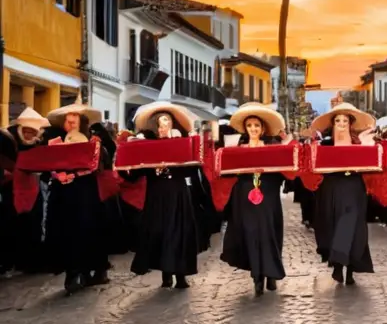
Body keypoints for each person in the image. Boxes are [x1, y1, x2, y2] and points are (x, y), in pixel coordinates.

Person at [123, 101, 210, 289]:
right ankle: (166, 274)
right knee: (161, 233)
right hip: (157, 195)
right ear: (155, 125)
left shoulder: (180, 141)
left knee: (179, 233)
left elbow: (192, 169)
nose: (165, 126)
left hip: (178, 194)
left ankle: (180, 275)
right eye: (161, 123)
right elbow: (134, 174)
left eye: (168, 122)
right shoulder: (147, 145)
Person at [221, 103, 289, 295]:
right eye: (250, 125)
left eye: (256, 126)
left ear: (263, 129)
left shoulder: (272, 148)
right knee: (251, 234)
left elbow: (284, 173)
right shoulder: (237, 149)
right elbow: (226, 172)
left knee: (268, 233)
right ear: (245, 128)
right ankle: (257, 276)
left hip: (268, 196)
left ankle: (271, 273)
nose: (253, 129)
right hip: (245, 197)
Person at [44, 103, 112, 294]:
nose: (70, 121)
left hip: (85, 194)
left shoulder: (94, 143)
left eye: (74, 118)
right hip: (63, 194)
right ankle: (72, 272)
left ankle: (89, 270)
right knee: (65, 231)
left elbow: (98, 166)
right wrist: (58, 175)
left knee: (87, 229)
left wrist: (78, 174)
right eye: (67, 118)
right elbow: (48, 166)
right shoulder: (55, 143)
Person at [310, 103, 376, 285]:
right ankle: (338, 266)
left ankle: (351, 269)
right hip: (331, 188)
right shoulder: (325, 144)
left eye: (345, 121)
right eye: (337, 120)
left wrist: (365, 142)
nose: (341, 124)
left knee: (352, 225)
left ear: (350, 124)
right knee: (333, 225)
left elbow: (372, 164)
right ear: (332, 124)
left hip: (354, 188)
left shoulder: (359, 144)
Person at [0, 108, 50, 274]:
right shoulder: (9, 143)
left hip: (33, 189)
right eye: (26, 131)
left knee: (32, 224)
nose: (28, 135)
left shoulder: (38, 145)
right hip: (11, 189)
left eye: (32, 132)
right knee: (10, 224)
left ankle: (29, 262)